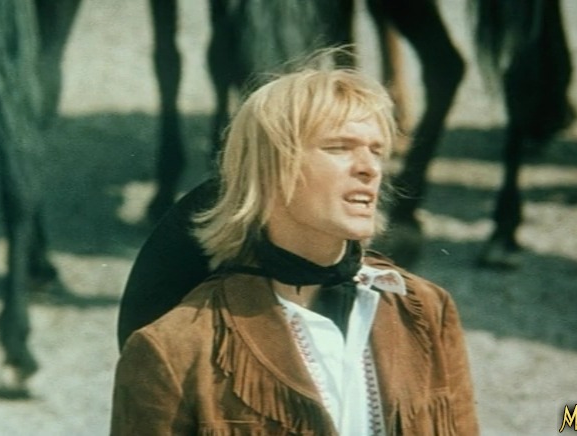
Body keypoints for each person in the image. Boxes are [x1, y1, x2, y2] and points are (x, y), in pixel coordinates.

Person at [110, 64, 479, 435]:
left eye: (377, 151)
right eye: (339, 147)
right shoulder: (177, 347)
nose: (370, 168)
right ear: (269, 167)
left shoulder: (425, 311)